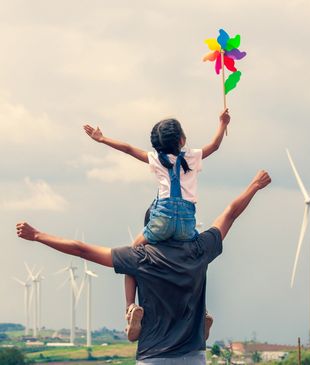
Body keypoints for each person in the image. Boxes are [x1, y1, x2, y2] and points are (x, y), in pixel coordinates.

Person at [16, 170, 271, 365]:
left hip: (154, 355)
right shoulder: (199, 249)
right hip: (193, 355)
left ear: (150, 229)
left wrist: (38, 235)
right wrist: (255, 185)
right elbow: (229, 213)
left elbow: (81, 249)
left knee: (130, 271)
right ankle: (198, 325)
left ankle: (131, 314)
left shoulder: (141, 256)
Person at [83, 109, 231, 339]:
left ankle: (130, 308)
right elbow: (215, 145)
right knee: (198, 258)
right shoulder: (191, 157)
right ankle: (201, 312)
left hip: (161, 220)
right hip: (186, 224)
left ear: (157, 145)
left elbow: (128, 148)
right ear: (182, 140)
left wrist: (102, 139)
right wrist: (222, 123)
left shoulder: (155, 159)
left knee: (132, 256)